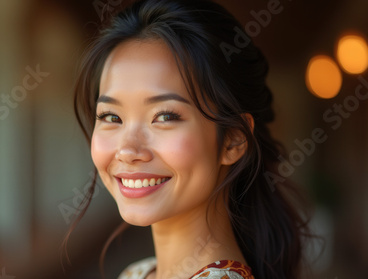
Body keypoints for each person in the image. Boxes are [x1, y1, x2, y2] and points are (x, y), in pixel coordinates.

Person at [70, 0, 311, 278]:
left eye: (165, 116)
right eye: (112, 117)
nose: (127, 150)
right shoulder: (137, 274)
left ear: (233, 139)